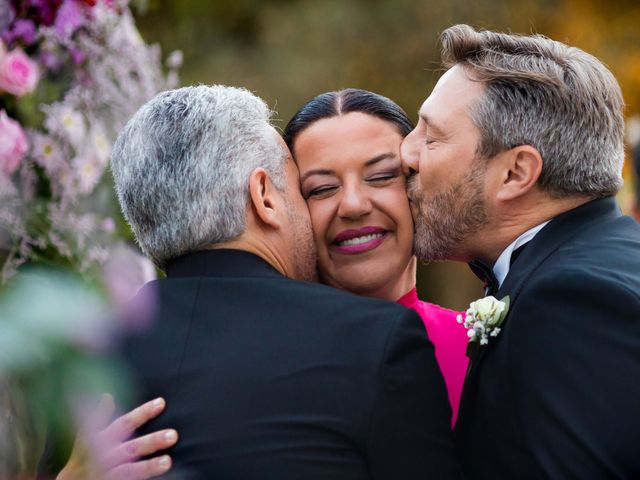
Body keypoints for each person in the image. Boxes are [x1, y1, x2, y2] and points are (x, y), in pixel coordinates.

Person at [108, 85, 458, 479]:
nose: (354, 205)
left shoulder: (85, 352)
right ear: (264, 195)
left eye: (381, 175)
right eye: (315, 189)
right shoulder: (372, 342)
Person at [401, 24, 640, 479]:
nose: (405, 153)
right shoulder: (601, 263)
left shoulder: (574, 302)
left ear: (515, 173)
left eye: (431, 137)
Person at [282, 88, 469, 424]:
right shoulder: (265, 362)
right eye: (322, 189)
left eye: (381, 177)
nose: (353, 205)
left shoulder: (486, 349)